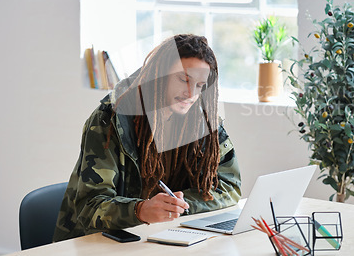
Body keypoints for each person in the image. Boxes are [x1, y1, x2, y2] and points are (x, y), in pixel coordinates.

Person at [53, 34, 242, 242]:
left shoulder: (201, 121)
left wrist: (178, 205)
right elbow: (89, 207)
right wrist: (140, 210)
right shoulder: (110, 120)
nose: (191, 93)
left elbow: (229, 186)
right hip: (97, 243)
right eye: (183, 79)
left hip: (159, 238)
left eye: (199, 86)